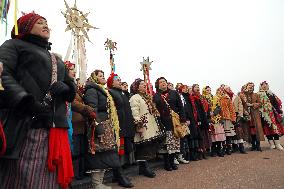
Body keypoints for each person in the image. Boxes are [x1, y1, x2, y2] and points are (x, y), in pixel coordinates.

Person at [0, 13, 76, 189]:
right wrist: (25, 101)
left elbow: (70, 87)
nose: (45, 25)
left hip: (52, 129)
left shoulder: (55, 58)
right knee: (21, 178)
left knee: (48, 179)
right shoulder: (13, 45)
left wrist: (67, 88)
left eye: (46, 22)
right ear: (25, 27)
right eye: (39, 22)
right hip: (23, 125)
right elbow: (3, 75)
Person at [84, 70, 120, 189]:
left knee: (106, 154)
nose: (103, 77)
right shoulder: (92, 90)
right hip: (99, 125)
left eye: (103, 75)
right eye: (100, 76)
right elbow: (92, 110)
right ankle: (96, 183)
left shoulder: (102, 90)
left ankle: (100, 182)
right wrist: (98, 127)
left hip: (106, 124)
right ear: (94, 78)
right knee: (98, 154)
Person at [129, 78, 164, 178]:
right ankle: (144, 167)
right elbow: (134, 112)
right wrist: (138, 125)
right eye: (142, 84)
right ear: (136, 87)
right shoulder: (135, 97)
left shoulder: (146, 97)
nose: (145, 85)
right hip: (143, 126)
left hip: (150, 126)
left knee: (147, 148)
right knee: (143, 148)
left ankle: (143, 168)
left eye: (145, 84)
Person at [107, 73, 135, 188]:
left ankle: (116, 175)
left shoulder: (122, 93)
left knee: (122, 152)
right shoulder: (110, 93)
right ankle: (119, 176)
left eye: (119, 79)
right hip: (118, 127)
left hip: (126, 126)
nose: (120, 81)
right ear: (111, 82)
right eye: (117, 80)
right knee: (118, 152)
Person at [153, 77, 186, 171]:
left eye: (164, 81)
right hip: (163, 122)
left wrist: (183, 119)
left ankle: (172, 161)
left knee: (174, 144)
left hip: (174, 122)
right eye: (161, 82)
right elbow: (155, 110)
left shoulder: (174, 93)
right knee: (166, 144)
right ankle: (167, 163)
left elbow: (180, 106)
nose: (163, 83)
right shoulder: (156, 96)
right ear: (158, 85)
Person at [258, 81, 284, 150]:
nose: (264, 86)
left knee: (275, 128)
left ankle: (277, 144)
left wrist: (279, 111)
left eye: (265, 84)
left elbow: (276, 104)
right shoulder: (258, 94)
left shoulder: (271, 94)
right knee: (267, 129)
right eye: (262, 85)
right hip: (264, 115)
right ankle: (271, 144)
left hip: (273, 114)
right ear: (260, 86)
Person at [190, 84, 211, 159]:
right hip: (198, 118)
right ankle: (200, 152)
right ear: (193, 89)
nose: (197, 88)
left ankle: (204, 151)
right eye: (196, 87)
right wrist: (198, 119)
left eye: (198, 87)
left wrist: (207, 116)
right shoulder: (192, 97)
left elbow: (206, 107)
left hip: (204, 117)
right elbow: (195, 109)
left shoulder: (201, 97)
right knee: (200, 135)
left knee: (204, 136)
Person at [244, 82, 265, 151]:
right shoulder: (243, 95)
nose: (251, 87)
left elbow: (260, 103)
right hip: (247, 115)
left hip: (255, 115)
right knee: (250, 130)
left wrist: (252, 104)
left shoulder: (256, 95)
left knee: (257, 130)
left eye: (252, 86)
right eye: (249, 86)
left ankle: (258, 146)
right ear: (246, 87)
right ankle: (253, 145)